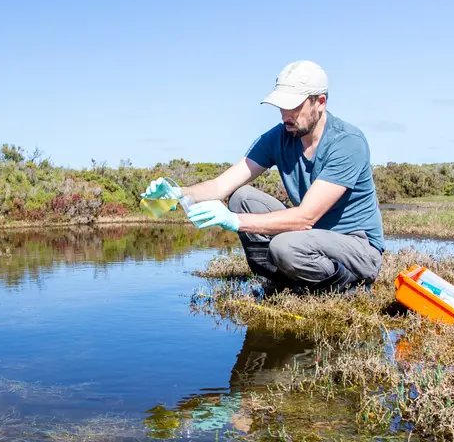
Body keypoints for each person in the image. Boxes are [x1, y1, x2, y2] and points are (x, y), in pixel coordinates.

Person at [144, 60, 385, 295]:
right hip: (308, 239)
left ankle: (346, 287)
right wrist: (178, 193)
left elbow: (305, 217)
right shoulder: (279, 137)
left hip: (356, 246)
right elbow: (221, 185)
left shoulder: (347, 143)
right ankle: (280, 279)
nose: (285, 115)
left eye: (294, 106)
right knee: (242, 197)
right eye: (281, 106)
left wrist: (234, 220)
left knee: (285, 246)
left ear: (320, 102)